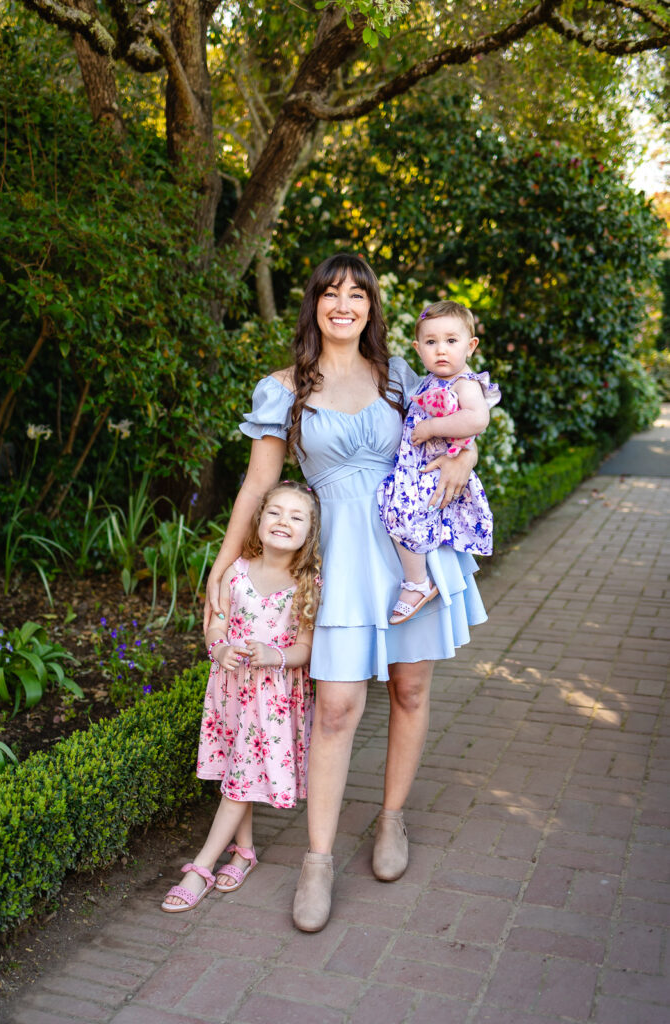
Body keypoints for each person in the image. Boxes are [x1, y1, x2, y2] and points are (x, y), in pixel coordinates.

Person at [204, 253, 487, 933]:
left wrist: (467, 454)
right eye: (330, 292)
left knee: (410, 691)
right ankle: (318, 859)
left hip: (407, 548)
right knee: (333, 707)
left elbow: (452, 428)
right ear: (313, 304)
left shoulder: (401, 376)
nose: (343, 304)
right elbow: (255, 486)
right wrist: (221, 566)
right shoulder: (282, 389)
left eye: (356, 293)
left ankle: (391, 819)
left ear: (370, 307)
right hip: (339, 560)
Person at [161, 480, 322, 913]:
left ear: (310, 531)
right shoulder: (236, 571)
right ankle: (244, 851)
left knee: (239, 780)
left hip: (270, 700)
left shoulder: (307, 583)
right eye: (275, 512)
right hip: (230, 692)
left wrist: (277, 655)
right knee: (237, 770)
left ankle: (201, 867)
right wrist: (220, 647)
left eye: (296, 516)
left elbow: (306, 648)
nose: (283, 521)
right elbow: (216, 624)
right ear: (259, 518)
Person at [377, 299, 501, 624]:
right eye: (431, 342)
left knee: (403, 513)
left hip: (436, 468)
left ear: (470, 346)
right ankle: (418, 578)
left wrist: (431, 427)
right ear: (418, 349)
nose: (441, 350)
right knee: (395, 509)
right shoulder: (428, 382)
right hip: (417, 468)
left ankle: (418, 583)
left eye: (451, 340)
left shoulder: (465, 383)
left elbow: (477, 419)